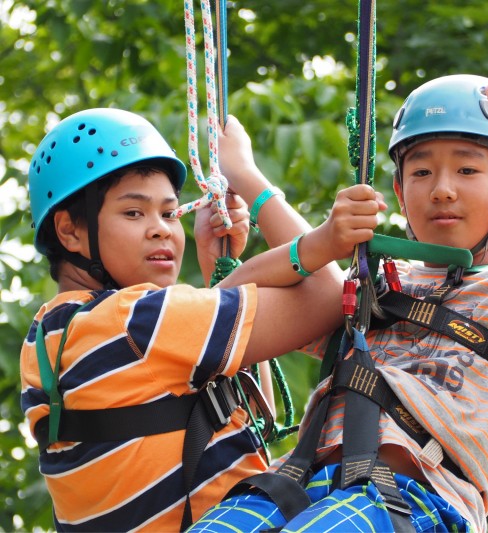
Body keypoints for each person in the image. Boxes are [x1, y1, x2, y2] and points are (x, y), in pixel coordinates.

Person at [191, 39, 488, 531]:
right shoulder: (377, 283)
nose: (442, 187)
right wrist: (248, 179)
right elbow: (271, 286)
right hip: (295, 487)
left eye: (467, 169)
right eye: (421, 172)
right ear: (401, 194)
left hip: (414, 502)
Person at [19, 107, 381, 531]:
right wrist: (250, 179)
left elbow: (243, 415)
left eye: (169, 214)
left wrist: (220, 275)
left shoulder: (51, 334)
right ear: (70, 231)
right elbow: (329, 297)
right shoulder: (135, 320)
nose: (160, 230)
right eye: (134, 213)